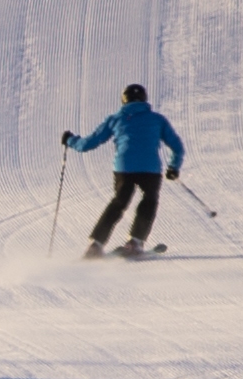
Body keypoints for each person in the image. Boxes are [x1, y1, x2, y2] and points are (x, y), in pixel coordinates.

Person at [61, 88, 184, 255]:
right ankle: (135, 241)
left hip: (124, 168)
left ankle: (95, 245)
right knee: (149, 200)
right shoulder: (157, 119)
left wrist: (70, 140)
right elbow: (177, 147)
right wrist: (173, 168)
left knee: (119, 202)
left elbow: (90, 142)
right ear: (144, 99)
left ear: (124, 100)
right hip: (150, 169)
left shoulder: (116, 119)